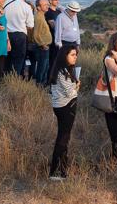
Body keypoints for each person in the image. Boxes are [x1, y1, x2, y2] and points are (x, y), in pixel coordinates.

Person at [48, 45, 80, 181]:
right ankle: (55, 172)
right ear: (64, 55)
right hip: (65, 107)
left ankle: (62, 170)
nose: (75, 57)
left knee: (64, 139)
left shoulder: (65, 70)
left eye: (76, 55)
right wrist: (77, 86)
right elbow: (70, 92)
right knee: (63, 139)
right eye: (72, 54)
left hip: (64, 106)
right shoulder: (62, 71)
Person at [3, 0, 34, 76]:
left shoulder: (5, 3)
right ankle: (14, 80)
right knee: (18, 60)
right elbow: (30, 25)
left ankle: (4, 79)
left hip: (5, 34)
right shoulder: (26, 6)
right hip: (20, 36)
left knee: (6, 60)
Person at [32, 0, 52, 86]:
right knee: (42, 68)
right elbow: (36, 34)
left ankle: (42, 86)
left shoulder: (41, 16)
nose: (47, 6)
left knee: (45, 67)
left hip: (45, 46)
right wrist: (43, 44)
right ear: (38, 7)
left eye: (47, 4)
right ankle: (39, 86)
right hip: (42, 47)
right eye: (44, 5)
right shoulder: (38, 18)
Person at [45, 0, 62, 70]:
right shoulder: (48, 12)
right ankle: (50, 79)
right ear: (50, 1)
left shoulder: (59, 12)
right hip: (52, 39)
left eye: (58, 0)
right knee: (52, 61)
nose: (57, 2)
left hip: (59, 39)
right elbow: (53, 26)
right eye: (55, 0)